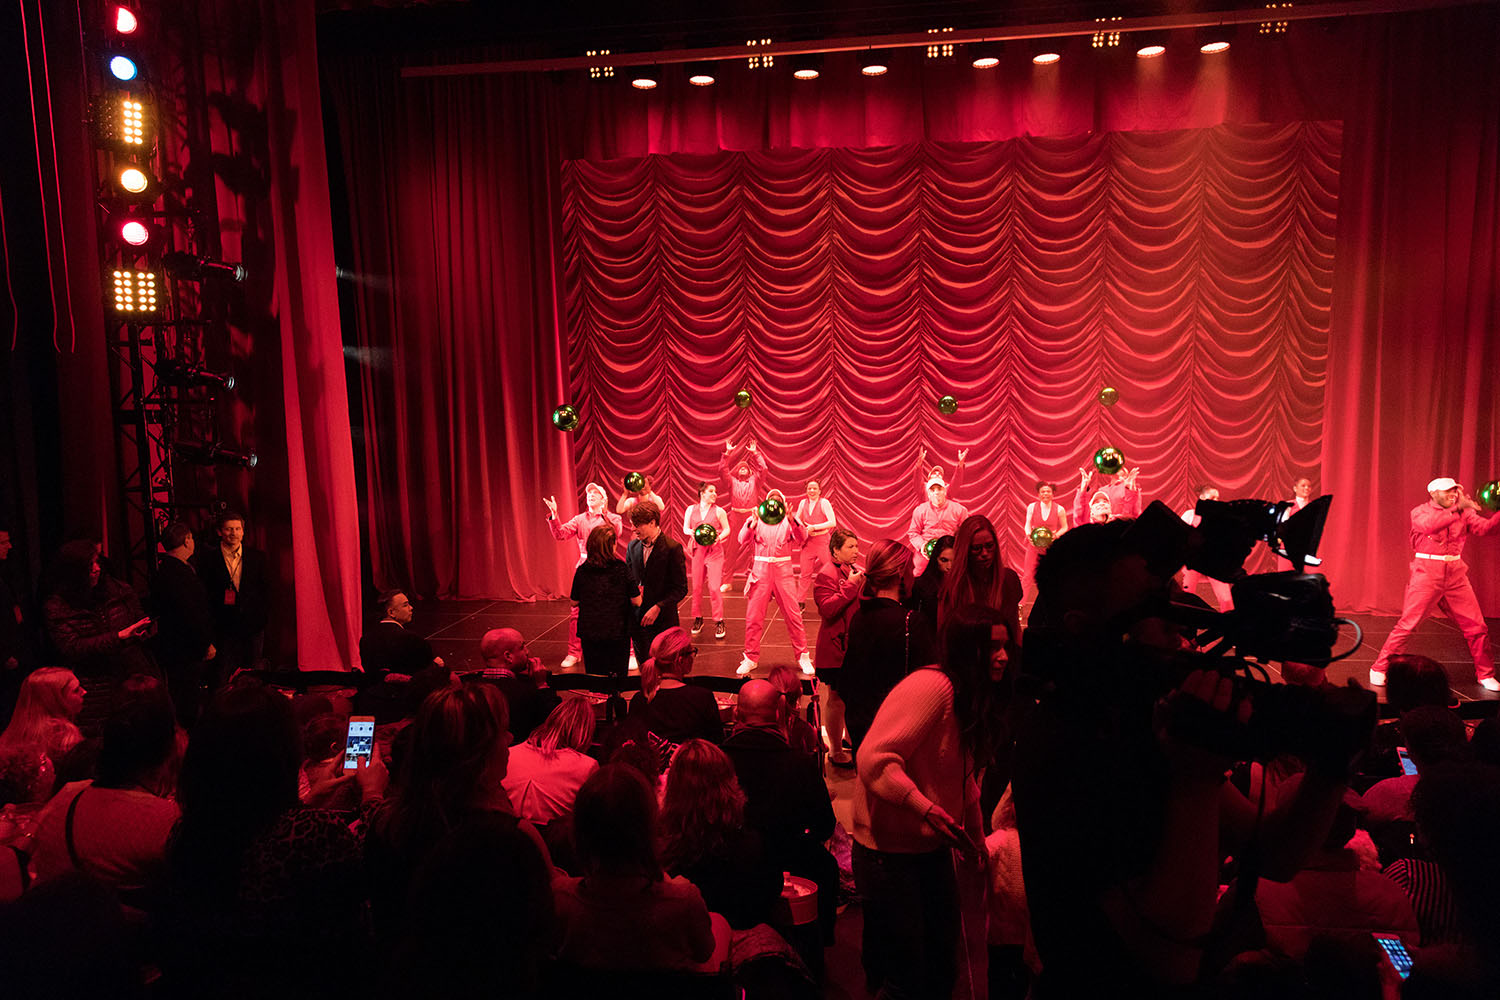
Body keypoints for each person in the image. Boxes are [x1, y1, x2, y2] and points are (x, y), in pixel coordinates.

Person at [1012, 520, 1353, 996]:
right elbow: (1169, 959)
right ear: (1086, 628)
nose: (1179, 621)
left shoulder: (1141, 718)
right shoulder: (1067, 742)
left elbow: (1276, 855)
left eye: (1170, 594)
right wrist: (1197, 780)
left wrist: (1334, 763)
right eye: (1150, 606)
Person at [162, 683, 386, 996]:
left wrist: (309, 800)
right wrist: (373, 794)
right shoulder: (315, 833)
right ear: (284, 753)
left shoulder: (185, 833)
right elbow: (378, 868)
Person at [851, 609, 995, 1000]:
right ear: (967, 650)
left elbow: (964, 777)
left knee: (941, 966)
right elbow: (873, 758)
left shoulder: (969, 696)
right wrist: (925, 808)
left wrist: (977, 840)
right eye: (991, 647)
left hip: (927, 849)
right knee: (907, 976)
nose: (1002, 657)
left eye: (1005, 647)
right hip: (887, 854)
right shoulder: (933, 688)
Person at [364, 683, 552, 961]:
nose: (511, 737)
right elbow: (542, 928)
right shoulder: (514, 839)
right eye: (503, 731)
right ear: (481, 754)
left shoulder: (386, 826)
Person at [552, 763, 725, 972]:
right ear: (649, 827)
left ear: (579, 830)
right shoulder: (684, 901)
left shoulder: (559, 899)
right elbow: (704, 952)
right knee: (720, 926)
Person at [28, 692, 180, 898]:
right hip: (108, 918)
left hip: (53, 911)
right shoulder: (167, 819)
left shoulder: (68, 794)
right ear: (168, 754)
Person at [722, 679, 839, 939]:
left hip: (729, 867)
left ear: (737, 714)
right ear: (777, 714)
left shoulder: (718, 760)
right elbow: (825, 825)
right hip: (793, 861)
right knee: (826, 867)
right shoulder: (799, 764)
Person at [1370, 476, 1500, 690]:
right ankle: (1380, 667)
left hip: (1456, 575)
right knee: (1408, 625)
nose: (1453, 494)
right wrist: (1458, 509)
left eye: (1455, 490)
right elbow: (1430, 526)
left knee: (1477, 627)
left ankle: (1485, 674)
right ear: (1433, 493)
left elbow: (1485, 529)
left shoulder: (1464, 512)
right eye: (1448, 491)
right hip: (1427, 574)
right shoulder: (1420, 512)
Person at [660, 739, 781, 930]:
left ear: (674, 788)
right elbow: (771, 892)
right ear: (729, 783)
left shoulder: (664, 855)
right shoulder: (752, 847)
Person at [839, 540, 938, 753]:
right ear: (900, 574)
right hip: (897, 731)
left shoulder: (859, 617)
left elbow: (848, 680)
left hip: (861, 728)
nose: (914, 574)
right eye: (911, 568)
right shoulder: (912, 622)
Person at [42, 540, 155, 724]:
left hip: (131, 676)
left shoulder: (119, 590)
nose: (96, 569)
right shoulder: (59, 606)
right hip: (94, 685)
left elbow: (138, 618)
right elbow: (71, 647)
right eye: (89, 565)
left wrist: (144, 631)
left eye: (97, 562)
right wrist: (119, 637)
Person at [546, 483, 625, 669]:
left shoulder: (613, 518)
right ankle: (574, 652)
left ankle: (626, 651)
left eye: (596, 493)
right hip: (586, 567)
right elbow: (560, 534)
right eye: (589, 493)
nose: (591, 495)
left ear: (604, 499)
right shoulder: (579, 519)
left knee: (617, 608)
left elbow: (616, 533)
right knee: (577, 612)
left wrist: (604, 513)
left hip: (608, 567)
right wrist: (554, 515)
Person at [737, 488, 813, 676]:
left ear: (783, 503)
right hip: (760, 572)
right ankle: (750, 658)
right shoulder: (757, 519)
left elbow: (803, 538)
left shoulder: (789, 520)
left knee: (794, 616)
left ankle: (803, 656)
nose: (774, 503)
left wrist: (792, 519)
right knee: (753, 617)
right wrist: (752, 523)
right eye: (772, 499)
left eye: (778, 500)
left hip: (783, 572)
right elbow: (741, 539)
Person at [149, 523, 216, 723]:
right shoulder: (180, 574)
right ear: (187, 540)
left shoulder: (165, 570)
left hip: (175, 646)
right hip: (186, 648)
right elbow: (191, 613)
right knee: (187, 697)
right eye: (191, 538)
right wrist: (205, 642)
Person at [193, 510, 269, 678]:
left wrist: (261, 618)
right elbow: (203, 595)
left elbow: (265, 591)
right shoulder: (207, 559)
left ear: (243, 531)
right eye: (228, 529)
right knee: (222, 675)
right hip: (223, 628)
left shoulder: (258, 558)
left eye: (237, 529)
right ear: (219, 532)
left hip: (253, 627)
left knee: (254, 676)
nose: (233, 533)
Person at [503, 697, 600, 827]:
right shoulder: (587, 767)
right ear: (587, 733)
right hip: (557, 839)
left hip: (503, 836)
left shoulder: (508, 755)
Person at [813, 527, 863, 766]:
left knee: (852, 696)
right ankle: (834, 751)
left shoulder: (851, 570)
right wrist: (851, 586)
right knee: (837, 698)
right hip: (835, 647)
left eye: (856, 546)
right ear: (835, 551)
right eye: (850, 547)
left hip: (851, 645)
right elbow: (828, 609)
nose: (856, 551)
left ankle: (848, 739)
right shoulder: (826, 574)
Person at [938, 514, 1023, 651]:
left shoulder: (1008, 579)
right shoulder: (953, 584)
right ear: (965, 550)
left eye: (989, 546)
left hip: (1004, 654)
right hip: (967, 656)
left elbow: (1014, 629)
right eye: (976, 548)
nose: (984, 553)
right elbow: (945, 635)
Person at [570, 524, 639, 684]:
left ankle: (597, 698)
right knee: (618, 679)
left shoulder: (582, 570)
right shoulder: (621, 569)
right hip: (617, 632)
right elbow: (637, 600)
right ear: (611, 546)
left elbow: (574, 602)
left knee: (595, 678)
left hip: (591, 632)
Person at [628, 628, 723, 745]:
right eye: (692, 652)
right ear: (680, 660)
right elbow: (716, 744)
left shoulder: (638, 700)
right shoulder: (702, 698)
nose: (693, 657)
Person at [625, 503, 689, 665]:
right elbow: (629, 580)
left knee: (666, 668)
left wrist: (658, 607)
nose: (632, 529)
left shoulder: (672, 548)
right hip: (639, 621)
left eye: (637, 525)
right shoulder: (632, 546)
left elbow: (681, 588)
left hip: (663, 622)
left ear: (652, 523)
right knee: (645, 668)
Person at [477, 628, 559, 743]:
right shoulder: (527, 693)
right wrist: (542, 685)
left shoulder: (470, 689)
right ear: (508, 656)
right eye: (522, 647)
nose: (527, 651)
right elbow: (557, 723)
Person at [0, 667, 86, 767]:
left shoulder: (12, 736)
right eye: (76, 690)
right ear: (55, 699)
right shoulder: (64, 737)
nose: (84, 692)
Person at [681, 481, 731, 639]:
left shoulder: (719, 511)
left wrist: (719, 537)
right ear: (702, 493)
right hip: (698, 550)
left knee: (714, 587)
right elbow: (685, 528)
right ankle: (698, 617)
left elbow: (727, 529)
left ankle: (719, 620)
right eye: (711, 491)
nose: (715, 494)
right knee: (696, 587)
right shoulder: (691, 509)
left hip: (714, 551)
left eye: (715, 491)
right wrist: (692, 532)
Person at [359, 589, 443, 682]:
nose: (411, 608)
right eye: (405, 605)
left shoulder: (365, 639)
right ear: (391, 612)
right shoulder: (413, 640)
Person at [719, 439, 769, 593]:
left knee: (757, 550)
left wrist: (755, 453)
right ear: (737, 471)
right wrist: (727, 453)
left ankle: (759, 580)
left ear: (749, 471)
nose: (742, 469)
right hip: (735, 517)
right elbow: (722, 470)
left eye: (745, 468)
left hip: (752, 518)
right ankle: (727, 582)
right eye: (740, 468)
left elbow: (764, 468)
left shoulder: (755, 481)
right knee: (731, 551)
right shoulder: (732, 482)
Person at [1180, 485, 1235, 611]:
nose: (1216, 500)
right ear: (1202, 498)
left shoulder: (1222, 518)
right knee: (1186, 594)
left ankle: (1229, 619)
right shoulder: (1190, 515)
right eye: (1212, 497)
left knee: (1226, 598)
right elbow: (1180, 535)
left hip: (1213, 560)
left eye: (1217, 498)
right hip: (1193, 560)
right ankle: (1184, 620)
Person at [907, 472, 970, 576]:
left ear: (945, 491)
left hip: (950, 554)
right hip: (925, 556)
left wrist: (957, 547)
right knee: (918, 576)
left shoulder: (959, 510)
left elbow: (967, 533)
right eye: (932, 490)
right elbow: (913, 533)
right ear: (928, 494)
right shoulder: (920, 510)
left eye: (939, 489)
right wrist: (922, 546)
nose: (936, 492)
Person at [1021, 481, 1067, 603]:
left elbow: (1065, 527)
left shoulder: (1060, 509)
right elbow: (1027, 524)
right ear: (1038, 494)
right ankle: (1021, 604)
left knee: (1051, 574)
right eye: (1043, 492)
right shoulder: (1032, 507)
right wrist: (1029, 534)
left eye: (1048, 491)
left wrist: (1055, 535)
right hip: (1034, 545)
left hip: (1050, 546)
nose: (1045, 494)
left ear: (1053, 494)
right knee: (1027, 576)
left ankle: (1052, 603)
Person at [794, 479, 837, 604]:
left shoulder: (824, 502)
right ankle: (800, 602)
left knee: (830, 572)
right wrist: (803, 527)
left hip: (822, 541)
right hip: (808, 542)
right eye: (809, 488)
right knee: (805, 574)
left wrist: (814, 527)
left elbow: (832, 522)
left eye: (814, 488)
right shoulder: (803, 503)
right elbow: (797, 518)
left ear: (819, 491)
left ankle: (834, 598)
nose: (812, 491)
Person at [907, 533, 954, 635]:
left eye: (954, 560)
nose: (949, 566)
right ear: (935, 559)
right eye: (944, 560)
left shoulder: (965, 585)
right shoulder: (920, 586)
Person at [1072, 464, 1142, 525]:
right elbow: (1080, 516)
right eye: (1096, 502)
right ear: (1091, 512)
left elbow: (1130, 516)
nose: (1102, 503)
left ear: (1111, 509)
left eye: (1105, 501)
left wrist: (1129, 490)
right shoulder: (1087, 528)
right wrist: (1083, 490)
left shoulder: (1120, 526)